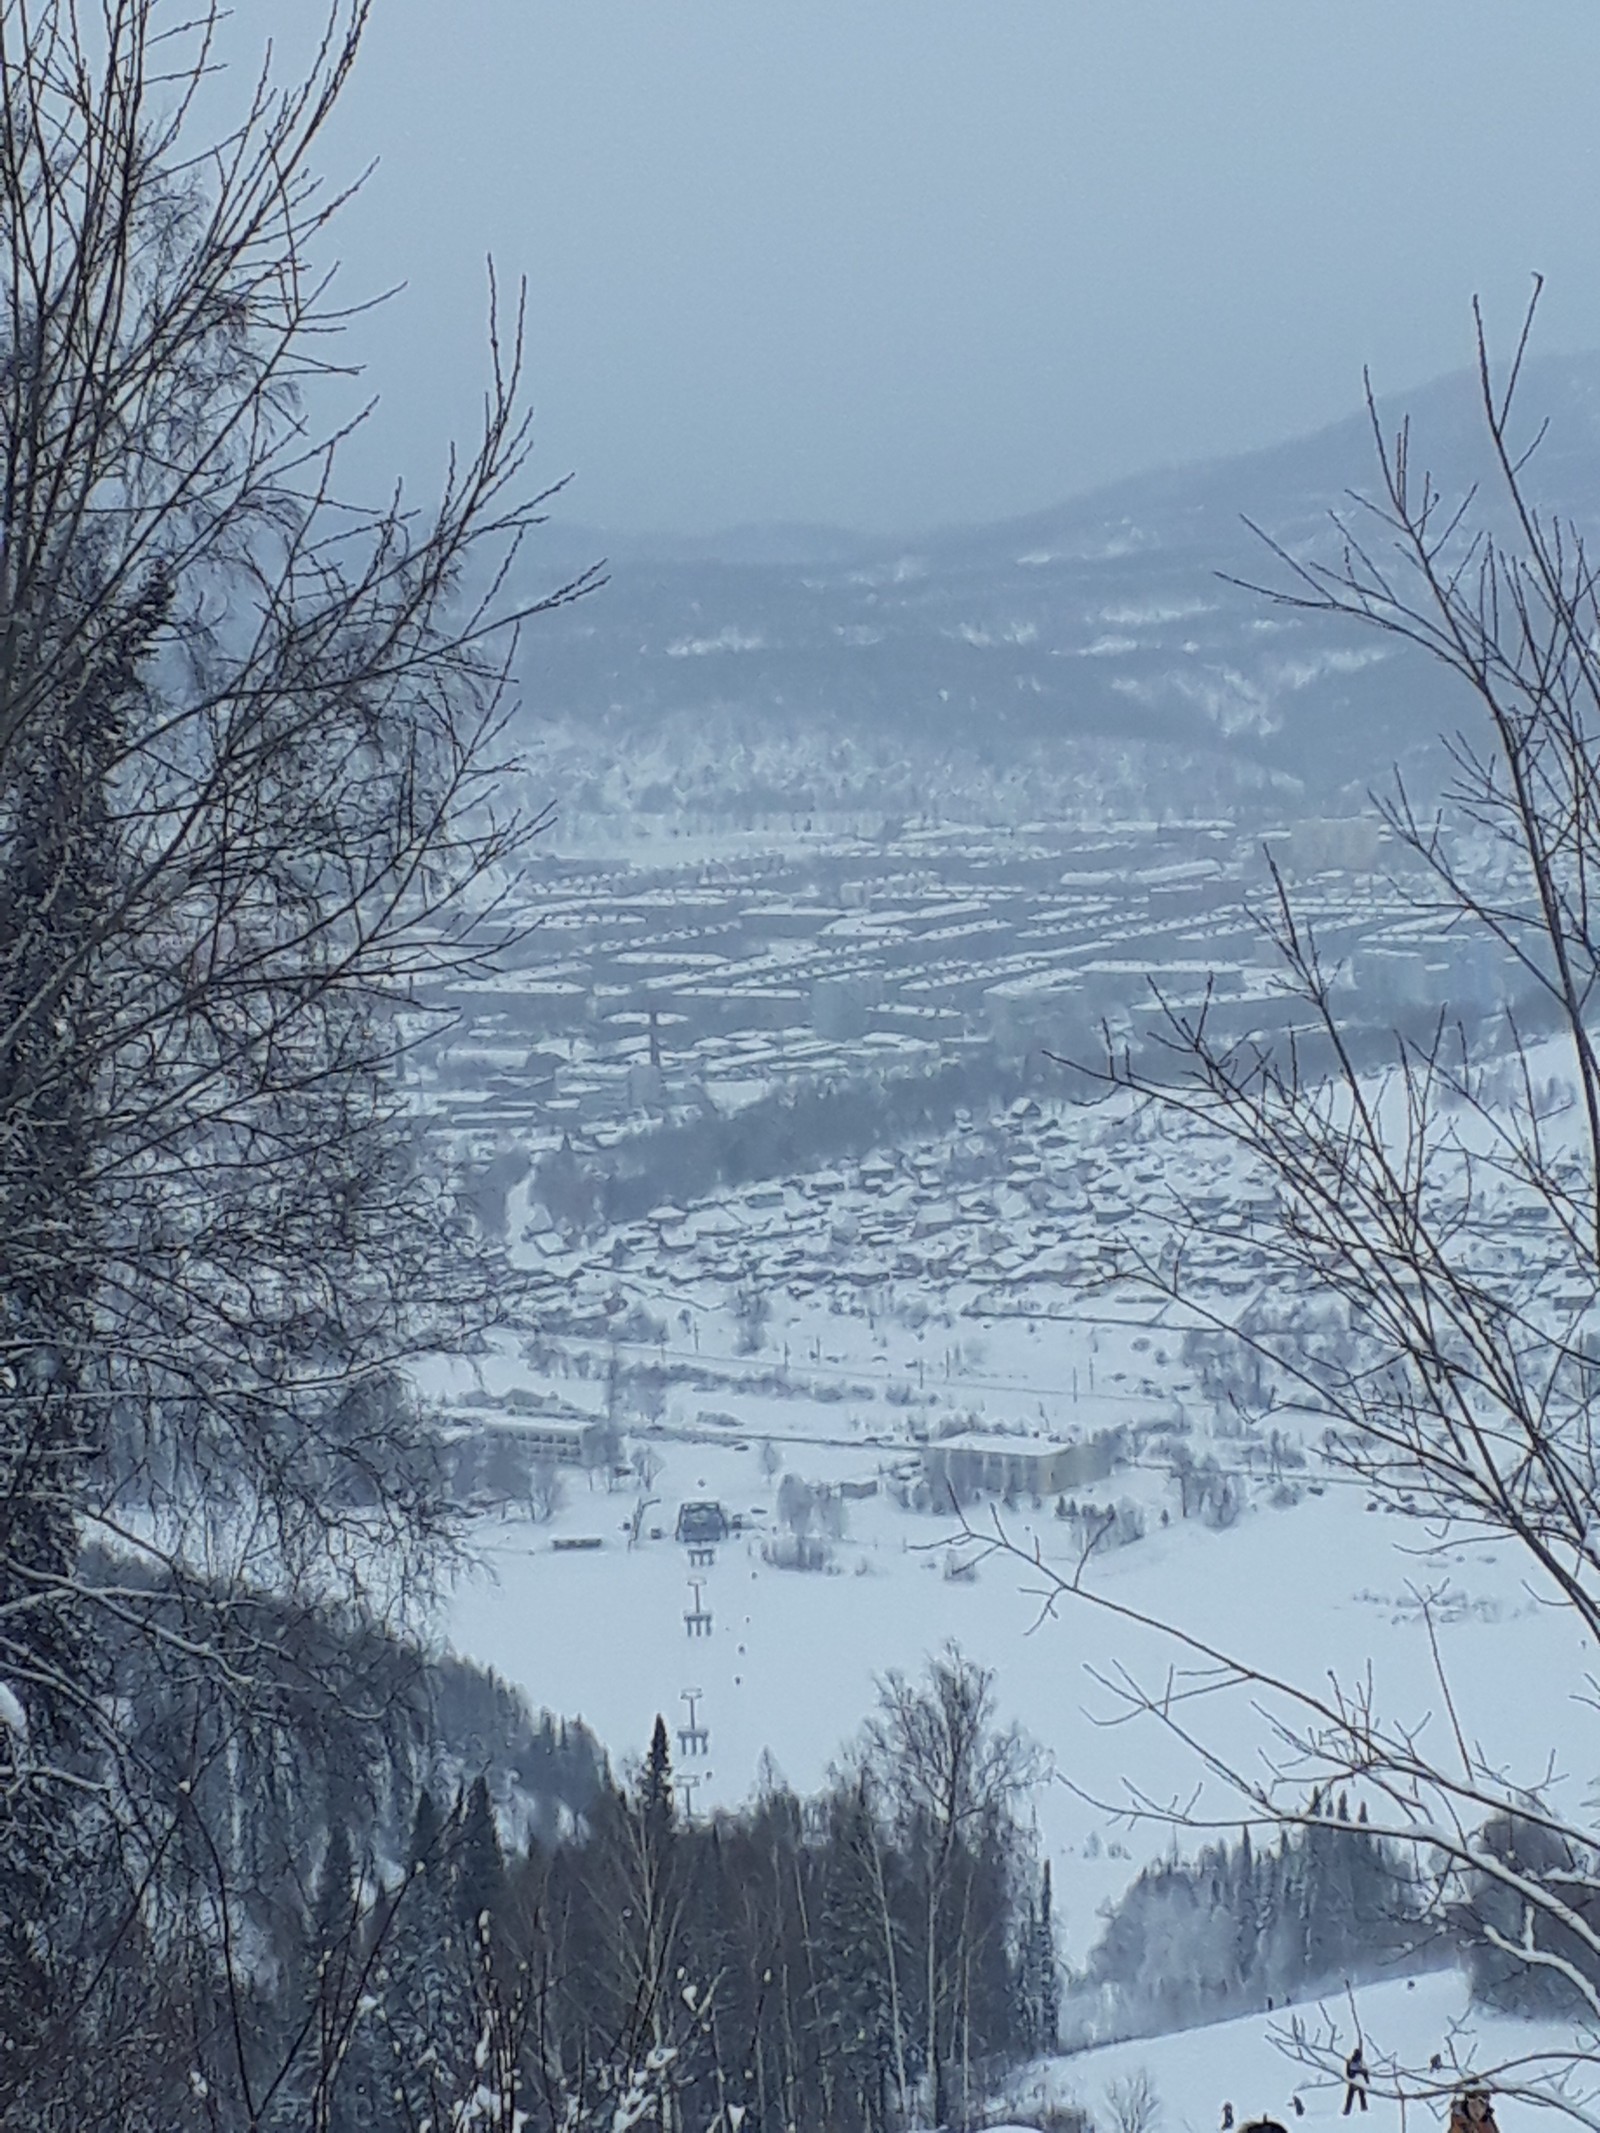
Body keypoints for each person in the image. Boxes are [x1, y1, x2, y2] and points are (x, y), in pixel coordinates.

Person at [1343, 2047, 1369, 2116]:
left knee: (1360, 2096)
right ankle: (1347, 2110)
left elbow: (1365, 2072)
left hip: (1359, 2081)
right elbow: (1349, 2074)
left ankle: (1363, 2108)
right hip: (1354, 2081)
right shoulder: (1352, 2062)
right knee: (1351, 2097)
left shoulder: (1361, 2063)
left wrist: (1366, 2082)